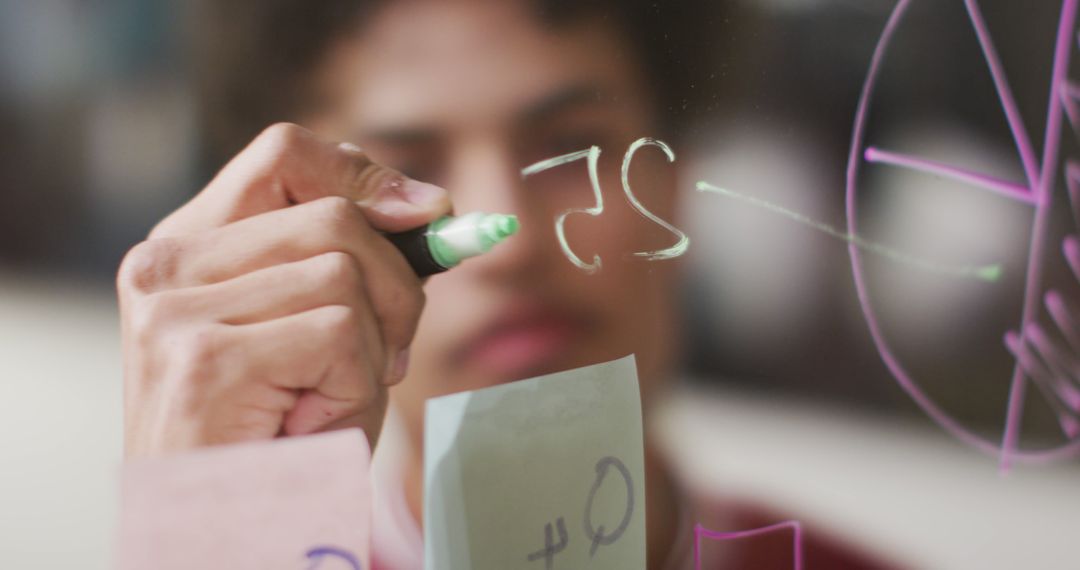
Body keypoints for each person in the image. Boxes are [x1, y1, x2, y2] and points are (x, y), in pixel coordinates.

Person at [117, 0, 895, 567]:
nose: (505, 239)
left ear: (679, 181)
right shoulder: (240, 558)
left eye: (572, 146)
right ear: (291, 228)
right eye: (405, 172)